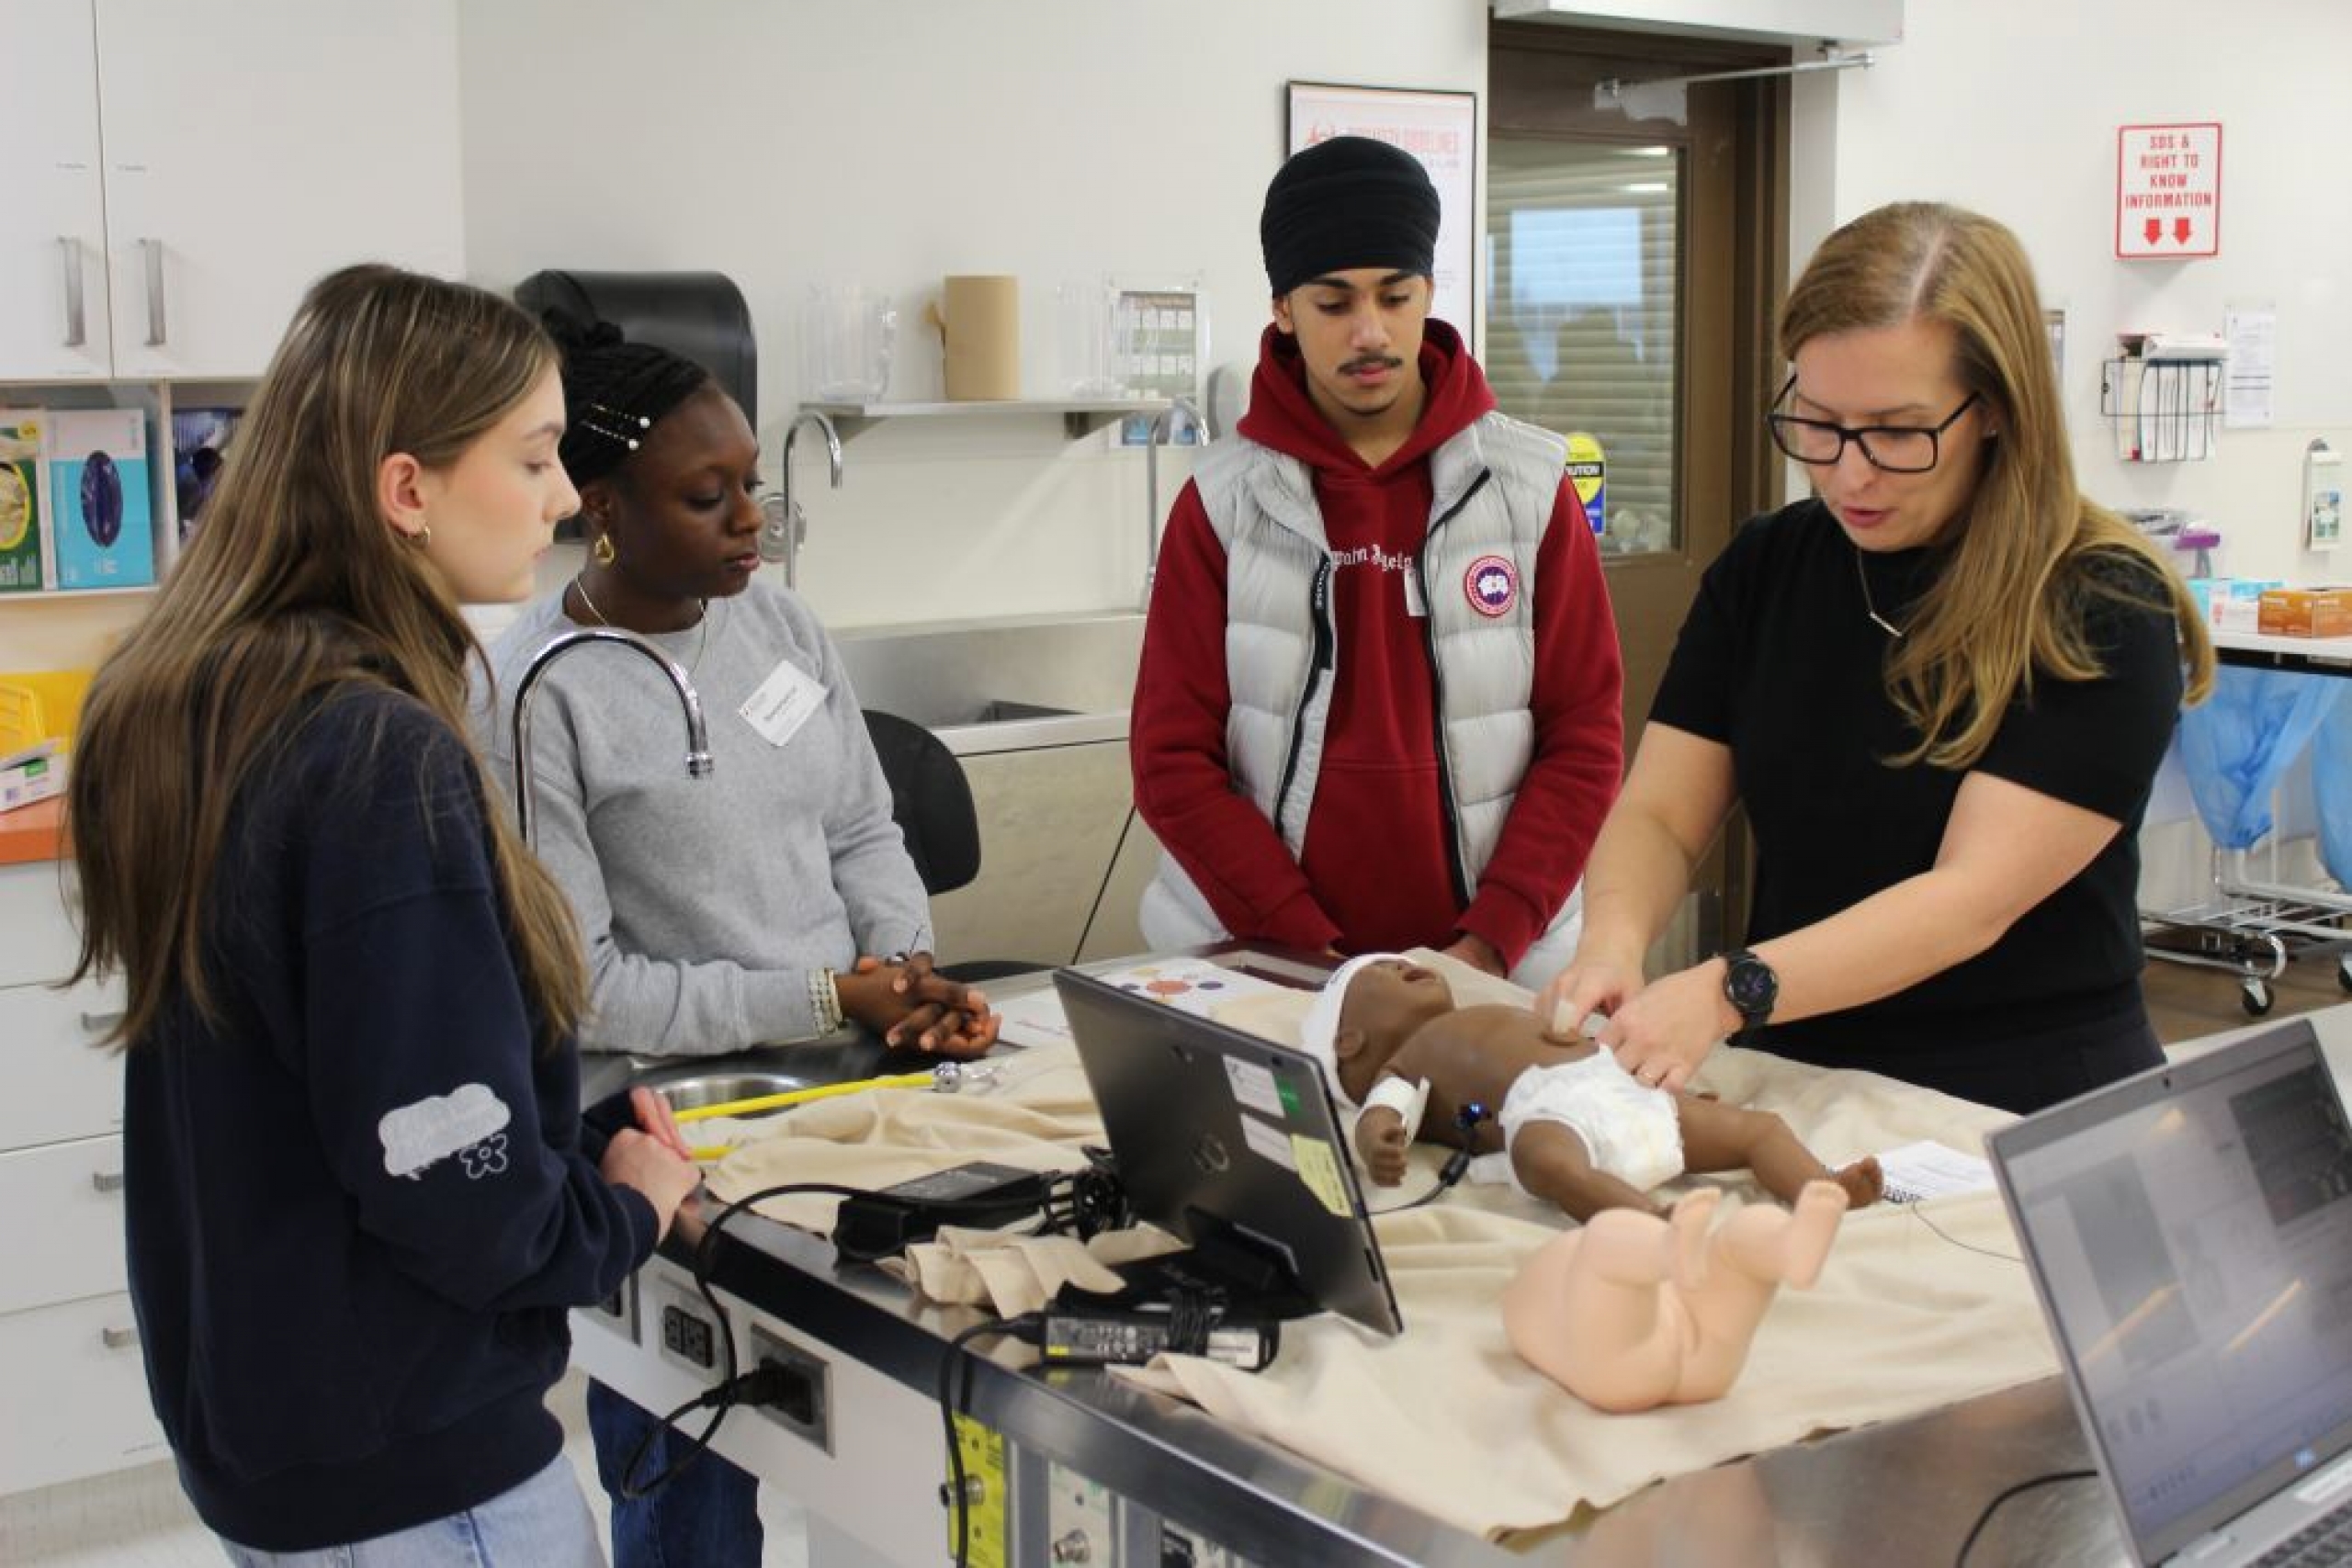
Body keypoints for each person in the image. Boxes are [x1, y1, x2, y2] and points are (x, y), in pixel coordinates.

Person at [63, 265, 703, 1564]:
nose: (567, 498)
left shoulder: (185, 698)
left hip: (273, 1439)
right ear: (405, 488)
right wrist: (619, 1204)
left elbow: (329, 1081)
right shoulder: (373, 753)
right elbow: (456, 1192)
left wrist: (546, 1133)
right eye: (532, 461)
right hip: (419, 1478)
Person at [478, 318, 998, 1566]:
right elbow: (591, 992)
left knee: (901, 1429)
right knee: (693, 1477)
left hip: (845, 1065)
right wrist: (831, 989)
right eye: (706, 497)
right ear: (599, 507)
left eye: (750, 483)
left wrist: (908, 972)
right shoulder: (534, 691)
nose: (750, 520)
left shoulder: (783, 628)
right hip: (662, 1119)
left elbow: (866, 825)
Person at [1539, 201, 2217, 1114]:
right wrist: (1612, 942)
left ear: (1996, 411)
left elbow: (1964, 900)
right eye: (1816, 422)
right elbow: (1662, 811)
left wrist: (1725, 990)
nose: (1846, 473)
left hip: (2017, 1097)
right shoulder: (1768, 567)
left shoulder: (2096, 604)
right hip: (1795, 1073)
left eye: (1896, 432)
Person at [1131, 135, 1623, 990]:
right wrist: (1293, 939)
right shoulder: (1221, 504)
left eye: (1396, 297)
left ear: (1429, 293)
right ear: (1283, 309)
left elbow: (1584, 735)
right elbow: (1171, 761)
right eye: (1334, 303)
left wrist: (1491, 939)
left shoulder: (1530, 487)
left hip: (1503, 963)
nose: (1371, 332)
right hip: (1266, 961)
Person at [1301, 954, 1883, 1221]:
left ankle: (1823, 1189)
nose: (1405, 965)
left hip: (1620, 1089)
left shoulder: (1480, 1013)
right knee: (1543, 1161)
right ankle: (1650, 1222)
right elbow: (1383, 1111)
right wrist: (1378, 1137)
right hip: (1548, 1114)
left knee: (1757, 1130)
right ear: (1349, 1041)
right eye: (1380, 973)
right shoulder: (1404, 1063)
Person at [1501, 1180, 1855, 1413]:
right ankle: (1785, 1246)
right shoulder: (1539, 1296)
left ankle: (1674, 1249)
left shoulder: (1532, 1297)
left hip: (1632, 1362)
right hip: (1703, 1358)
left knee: (1606, 1237)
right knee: (1734, 1242)